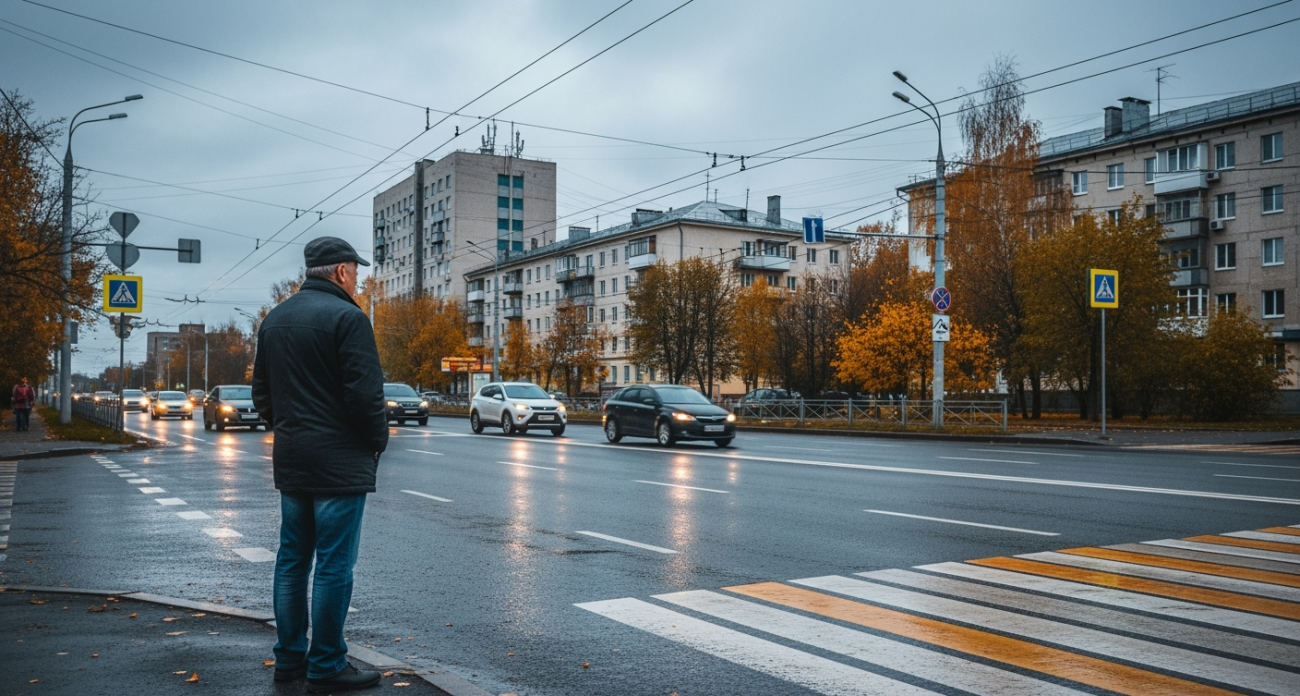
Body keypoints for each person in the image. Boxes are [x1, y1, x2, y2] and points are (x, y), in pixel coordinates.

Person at [252, 237, 388, 692]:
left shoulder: (274, 320)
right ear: (341, 271)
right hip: (339, 460)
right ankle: (327, 663)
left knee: (292, 560)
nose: (359, 279)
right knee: (333, 564)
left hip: (293, 457)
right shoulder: (349, 318)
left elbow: (262, 395)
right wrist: (376, 441)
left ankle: (289, 659)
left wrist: (289, 428)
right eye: (356, 270)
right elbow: (364, 395)